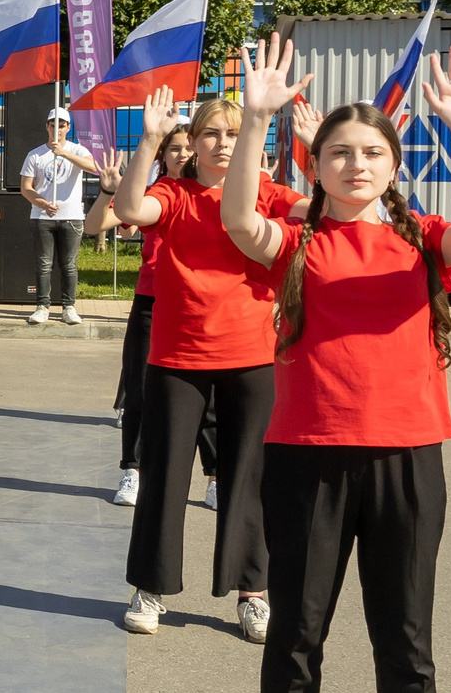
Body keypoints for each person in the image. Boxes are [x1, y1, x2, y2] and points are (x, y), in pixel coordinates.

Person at [222, 39, 451, 693]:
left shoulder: (422, 241)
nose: (355, 164)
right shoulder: (297, 243)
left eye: (371, 153)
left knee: (405, 629)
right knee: (300, 623)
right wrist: (253, 122)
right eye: (339, 153)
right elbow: (237, 218)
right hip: (307, 457)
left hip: (409, 459)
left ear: (391, 164)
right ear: (315, 165)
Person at [110, 86, 301, 642]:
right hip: (177, 356)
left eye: (234, 133)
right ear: (191, 143)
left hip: (250, 357)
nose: (222, 143)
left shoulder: (267, 193)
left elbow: (323, 214)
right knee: (164, 475)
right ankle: (149, 585)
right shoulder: (174, 192)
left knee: (249, 478)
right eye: (211, 133)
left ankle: (253, 592)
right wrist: (147, 141)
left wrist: (311, 153)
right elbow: (127, 209)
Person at [105, 124, 208, 508]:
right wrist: (113, 189)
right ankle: (132, 470)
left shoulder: (218, 194)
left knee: (208, 397)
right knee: (141, 389)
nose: (182, 154)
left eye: (188, 148)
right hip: (152, 298)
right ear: (163, 156)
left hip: (201, 304)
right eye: (174, 148)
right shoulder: (152, 194)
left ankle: (214, 476)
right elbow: (124, 227)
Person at [21, 109, 102, 326]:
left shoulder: (77, 149)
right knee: (44, 264)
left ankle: (69, 306)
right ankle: (42, 306)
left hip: (72, 216)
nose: (57, 129)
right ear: (46, 126)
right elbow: (26, 188)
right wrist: (42, 204)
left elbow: (94, 167)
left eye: (62, 125)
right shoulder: (35, 154)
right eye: (52, 124)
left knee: (69, 264)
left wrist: (64, 153)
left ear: (68, 127)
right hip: (42, 216)